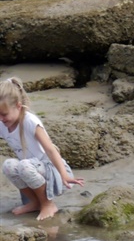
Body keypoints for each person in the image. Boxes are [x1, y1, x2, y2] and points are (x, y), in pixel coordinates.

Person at [0, 77, 81, 222]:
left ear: (18, 106)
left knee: (24, 165)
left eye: (4, 114)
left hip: (54, 173)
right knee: (8, 165)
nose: (1, 119)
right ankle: (35, 202)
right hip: (32, 171)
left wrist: (65, 175)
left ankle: (48, 204)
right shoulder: (3, 124)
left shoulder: (30, 121)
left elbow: (50, 149)